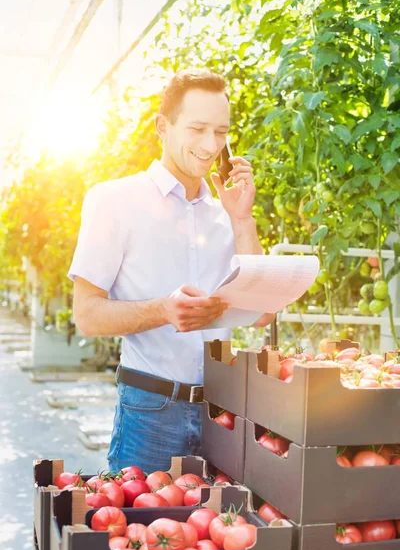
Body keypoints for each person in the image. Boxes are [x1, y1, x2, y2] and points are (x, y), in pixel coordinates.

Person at [68, 68, 274, 474]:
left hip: (224, 414)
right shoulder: (115, 201)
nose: (210, 145)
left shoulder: (226, 215)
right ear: (162, 127)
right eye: (197, 129)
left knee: (219, 534)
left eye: (221, 132)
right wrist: (164, 310)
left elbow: (263, 312)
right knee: (145, 530)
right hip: (151, 410)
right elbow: (87, 315)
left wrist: (243, 220)